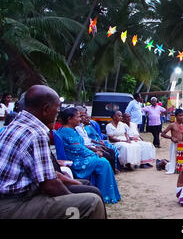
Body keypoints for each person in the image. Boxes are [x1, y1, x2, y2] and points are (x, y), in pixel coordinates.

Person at [0, 85, 105, 218]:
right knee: (92, 202)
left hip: (18, 194)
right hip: (13, 204)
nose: (58, 113)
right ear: (45, 109)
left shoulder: (17, 124)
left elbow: (43, 174)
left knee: (86, 188)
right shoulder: (36, 133)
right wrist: (74, 203)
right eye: (57, 108)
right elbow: (49, 185)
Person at [58, 107, 121, 204]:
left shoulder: (70, 130)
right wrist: (95, 153)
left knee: (103, 160)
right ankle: (105, 197)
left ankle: (107, 195)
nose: (80, 119)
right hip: (77, 161)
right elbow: (78, 149)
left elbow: (81, 147)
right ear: (69, 119)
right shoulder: (68, 131)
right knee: (103, 163)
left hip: (79, 157)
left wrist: (94, 153)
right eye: (78, 117)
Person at [74, 106, 118, 173]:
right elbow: (81, 144)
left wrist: (98, 145)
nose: (83, 117)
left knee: (111, 151)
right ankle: (108, 172)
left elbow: (89, 139)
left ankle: (112, 171)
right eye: (81, 116)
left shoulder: (82, 126)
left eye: (84, 115)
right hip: (87, 149)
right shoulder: (76, 128)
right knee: (107, 155)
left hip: (91, 145)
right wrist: (95, 148)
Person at [161, 109, 183, 174]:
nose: (182, 117)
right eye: (180, 115)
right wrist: (171, 138)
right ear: (176, 116)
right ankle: (163, 162)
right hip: (174, 145)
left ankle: (165, 162)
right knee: (173, 165)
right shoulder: (172, 125)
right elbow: (162, 134)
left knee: (180, 161)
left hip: (181, 146)